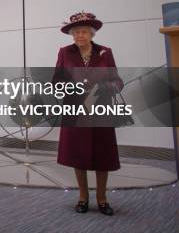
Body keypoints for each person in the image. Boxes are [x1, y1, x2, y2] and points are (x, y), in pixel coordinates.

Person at [53, 11, 124, 216]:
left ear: (92, 34)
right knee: (78, 155)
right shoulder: (65, 52)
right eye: (76, 32)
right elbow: (56, 81)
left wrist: (106, 87)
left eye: (84, 32)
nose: (80, 36)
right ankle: (83, 197)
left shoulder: (105, 52)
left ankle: (102, 199)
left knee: (104, 156)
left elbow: (117, 81)